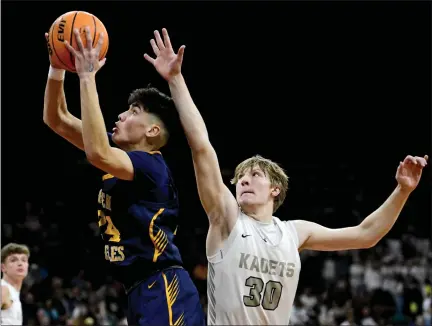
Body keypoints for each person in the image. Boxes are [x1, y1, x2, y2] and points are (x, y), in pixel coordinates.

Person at [144, 28, 429, 325]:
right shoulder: (227, 218)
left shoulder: (295, 233)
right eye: (240, 176)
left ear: (275, 190)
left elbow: (366, 234)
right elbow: (201, 146)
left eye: (254, 175)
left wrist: (403, 191)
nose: (243, 180)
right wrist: (176, 80)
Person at [43, 28, 205, 326]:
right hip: (139, 291)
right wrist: (57, 65)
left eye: (132, 112)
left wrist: (88, 77)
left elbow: (97, 153)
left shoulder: (151, 167)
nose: (120, 116)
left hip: (164, 286)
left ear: (152, 131)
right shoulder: (123, 158)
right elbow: (57, 119)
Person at [1, 243, 30, 325]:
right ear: (3, 267)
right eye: (13, 260)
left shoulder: (13, 293)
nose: (20, 263)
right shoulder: (3, 289)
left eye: (24, 260)